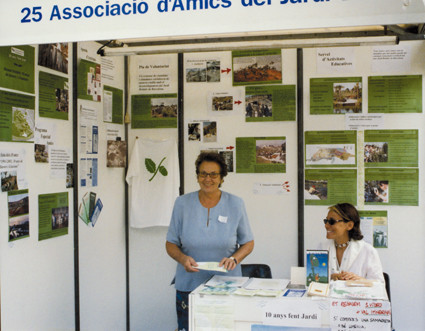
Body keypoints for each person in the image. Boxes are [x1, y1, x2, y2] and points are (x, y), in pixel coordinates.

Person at [166, 152, 254, 331]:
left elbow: (248, 243)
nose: (208, 179)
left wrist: (235, 259)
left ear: (222, 178)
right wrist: (183, 259)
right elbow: (170, 244)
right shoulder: (181, 204)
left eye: (214, 174)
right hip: (189, 286)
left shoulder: (236, 204)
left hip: (226, 286)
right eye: (203, 173)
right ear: (197, 176)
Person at [321, 203, 384, 283]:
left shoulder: (368, 251)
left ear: (349, 225)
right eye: (326, 221)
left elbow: (379, 285)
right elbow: (314, 277)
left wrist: (360, 280)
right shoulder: (322, 247)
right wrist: (332, 276)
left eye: (331, 221)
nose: (326, 226)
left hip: (357, 295)